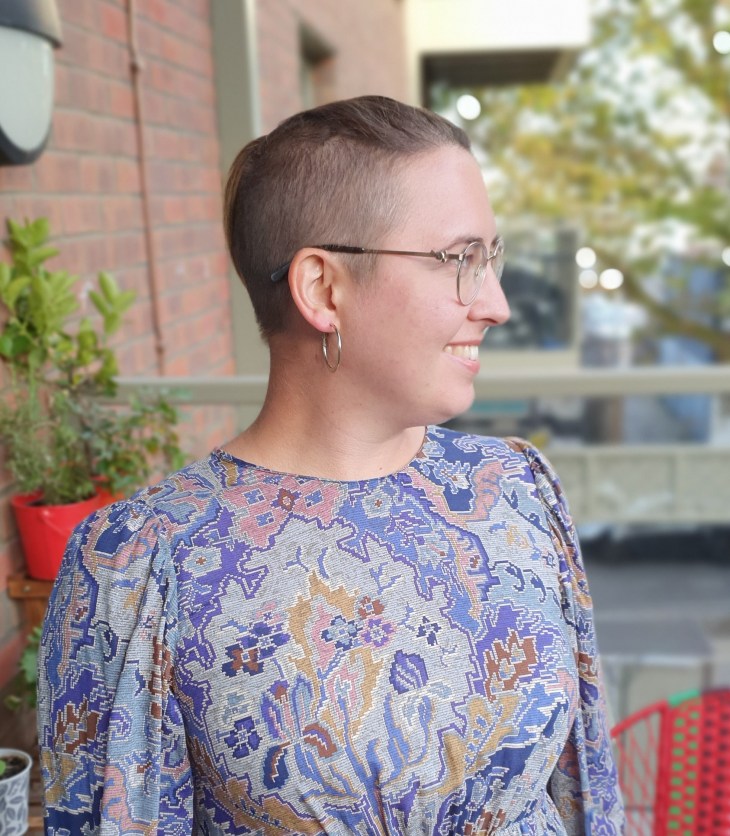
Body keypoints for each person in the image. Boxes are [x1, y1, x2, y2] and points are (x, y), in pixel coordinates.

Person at [38, 96, 624, 834]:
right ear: (323, 288)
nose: (497, 304)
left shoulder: (513, 490)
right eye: (461, 260)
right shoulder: (140, 564)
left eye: (492, 258)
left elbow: (584, 789)